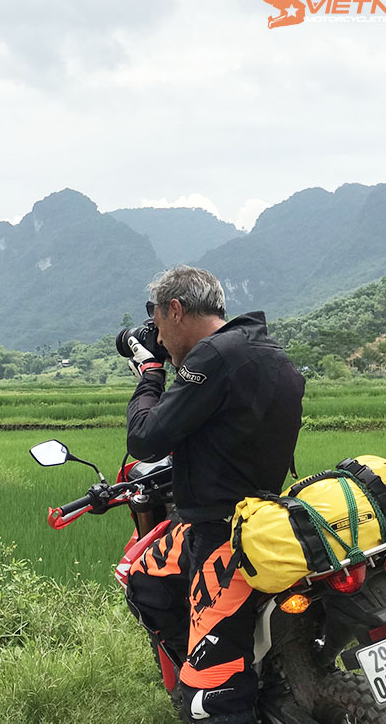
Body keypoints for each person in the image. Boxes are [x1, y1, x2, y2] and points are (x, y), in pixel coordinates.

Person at [122, 265, 305, 724]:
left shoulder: (214, 357)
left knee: (211, 702)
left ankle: (213, 682)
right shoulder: (267, 351)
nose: (160, 340)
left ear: (177, 310)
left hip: (222, 539)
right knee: (145, 575)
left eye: (160, 327)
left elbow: (146, 438)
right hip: (263, 518)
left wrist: (148, 371)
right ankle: (221, 664)